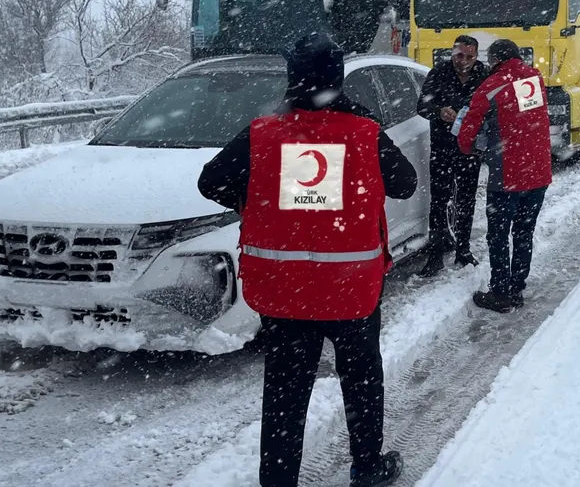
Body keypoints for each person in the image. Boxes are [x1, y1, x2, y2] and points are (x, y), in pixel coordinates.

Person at [197, 33, 417, 487]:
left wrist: (253, 202)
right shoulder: (363, 132)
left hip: (283, 289)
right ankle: (367, 468)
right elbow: (405, 184)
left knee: (285, 394)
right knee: (361, 382)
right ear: (337, 78)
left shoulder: (262, 135)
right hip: (352, 288)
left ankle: (278, 481)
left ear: (292, 78)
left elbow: (210, 180)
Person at [456, 39, 552, 313]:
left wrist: (467, 147)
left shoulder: (490, 86)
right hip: (537, 173)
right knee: (523, 232)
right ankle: (517, 287)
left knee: (498, 235)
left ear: (496, 59)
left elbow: (469, 128)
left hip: (508, 174)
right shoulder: (532, 78)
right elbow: (526, 117)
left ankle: (500, 293)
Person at [415, 34, 489, 276]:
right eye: (459, 55)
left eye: (469, 56)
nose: (464, 61)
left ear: (476, 56)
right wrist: (439, 111)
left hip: (470, 148)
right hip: (443, 146)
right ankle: (435, 255)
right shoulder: (438, 73)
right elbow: (422, 107)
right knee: (438, 201)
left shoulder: (484, 74)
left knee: (466, 200)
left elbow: (493, 106)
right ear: (452, 53)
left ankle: (463, 250)